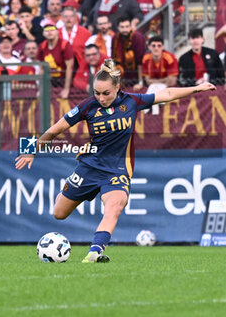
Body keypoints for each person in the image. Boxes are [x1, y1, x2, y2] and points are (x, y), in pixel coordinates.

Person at [15, 58, 216, 263]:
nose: (101, 98)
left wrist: (197, 88)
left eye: (106, 93)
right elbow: (55, 129)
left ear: (117, 88)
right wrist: (31, 150)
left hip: (117, 169)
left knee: (115, 206)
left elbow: (168, 93)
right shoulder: (88, 106)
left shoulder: (131, 101)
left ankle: (95, 252)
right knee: (58, 213)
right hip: (89, 167)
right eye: (97, 93)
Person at [37, 23, 74, 98]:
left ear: (57, 31)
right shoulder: (42, 46)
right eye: (47, 30)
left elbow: (69, 67)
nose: (49, 32)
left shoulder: (64, 45)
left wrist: (66, 88)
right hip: (49, 81)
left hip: (64, 79)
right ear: (43, 33)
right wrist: (41, 88)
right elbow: (41, 68)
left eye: (52, 29)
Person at [112, 16, 146, 87]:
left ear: (131, 27)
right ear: (118, 28)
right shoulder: (115, 38)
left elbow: (140, 61)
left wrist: (140, 82)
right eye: (122, 27)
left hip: (136, 75)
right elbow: (114, 58)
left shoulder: (137, 38)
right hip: (121, 74)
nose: (125, 29)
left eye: (127, 27)